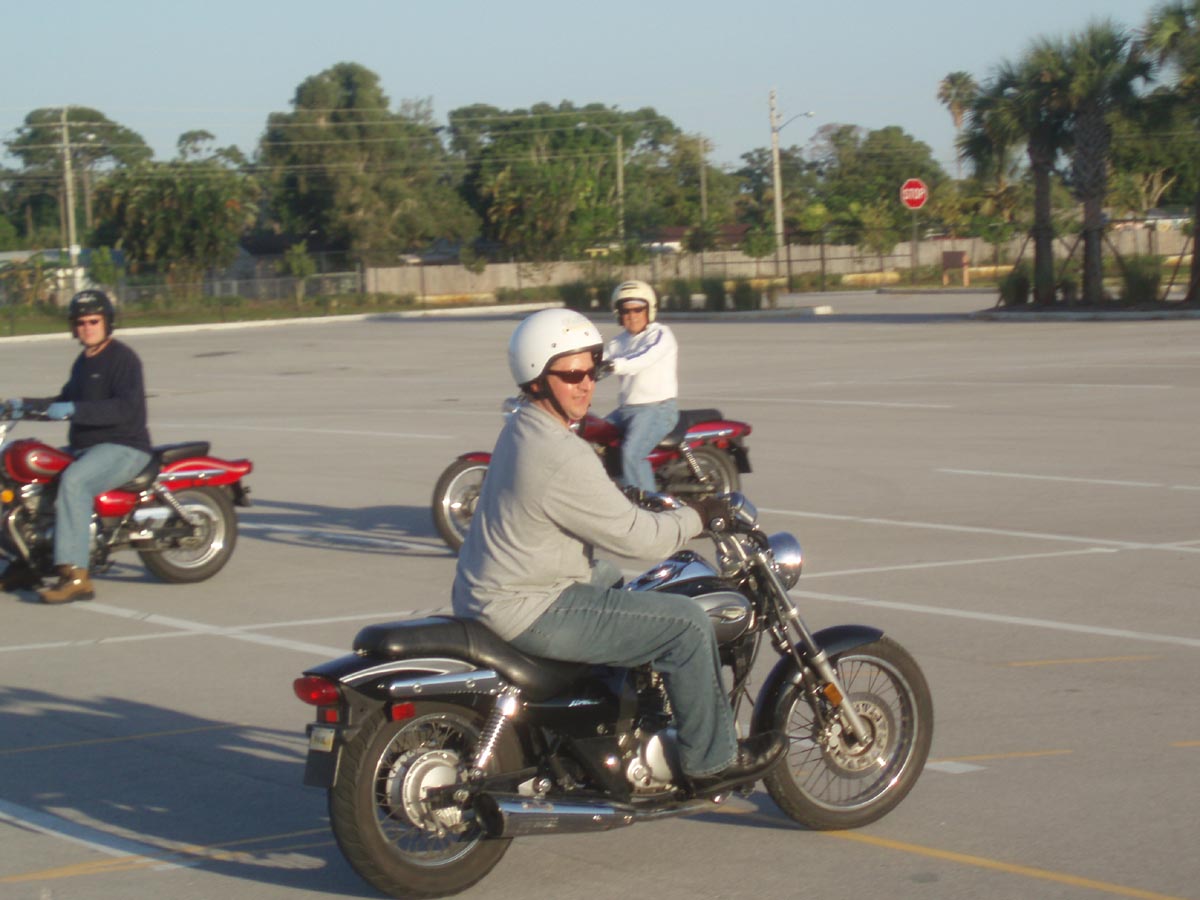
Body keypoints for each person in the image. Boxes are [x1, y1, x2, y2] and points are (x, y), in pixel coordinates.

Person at [452, 308, 784, 796]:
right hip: (530, 605)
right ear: (537, 379)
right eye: (572, 374)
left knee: (612, 580)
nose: (586, 384)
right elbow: (641, 541)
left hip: (497, 588)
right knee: (685, 624)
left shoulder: (524, 426)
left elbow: (571, 502)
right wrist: (700, 515)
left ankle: (631, 714)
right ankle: (712, 760)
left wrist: (627, 496)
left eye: (593, 371)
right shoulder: (560, 452)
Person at [1, 290, 152, 603]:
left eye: (93, 321)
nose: (87, 327)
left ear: (107, 322)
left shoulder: (123, 359)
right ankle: (30, 564)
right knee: (32, 480)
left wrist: (74, 410)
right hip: (85, 447)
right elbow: (64, 400)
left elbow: (125, 408)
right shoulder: (83, 362)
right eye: (81, 322)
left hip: (123, 445)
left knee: (75, 481)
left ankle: (77, 576)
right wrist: (23, 405)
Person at [603, 280, 679, 493]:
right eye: (625, 311)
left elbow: (644, 357)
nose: (632, 315)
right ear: (618, 314)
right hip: (627, 411)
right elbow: (598, 362)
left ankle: (649, 507)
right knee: (591, 438)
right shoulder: (618, 342)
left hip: (657, 409)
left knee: (632, 454)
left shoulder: (660, 335)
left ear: (649, 310)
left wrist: (615, 365)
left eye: (638, 309)